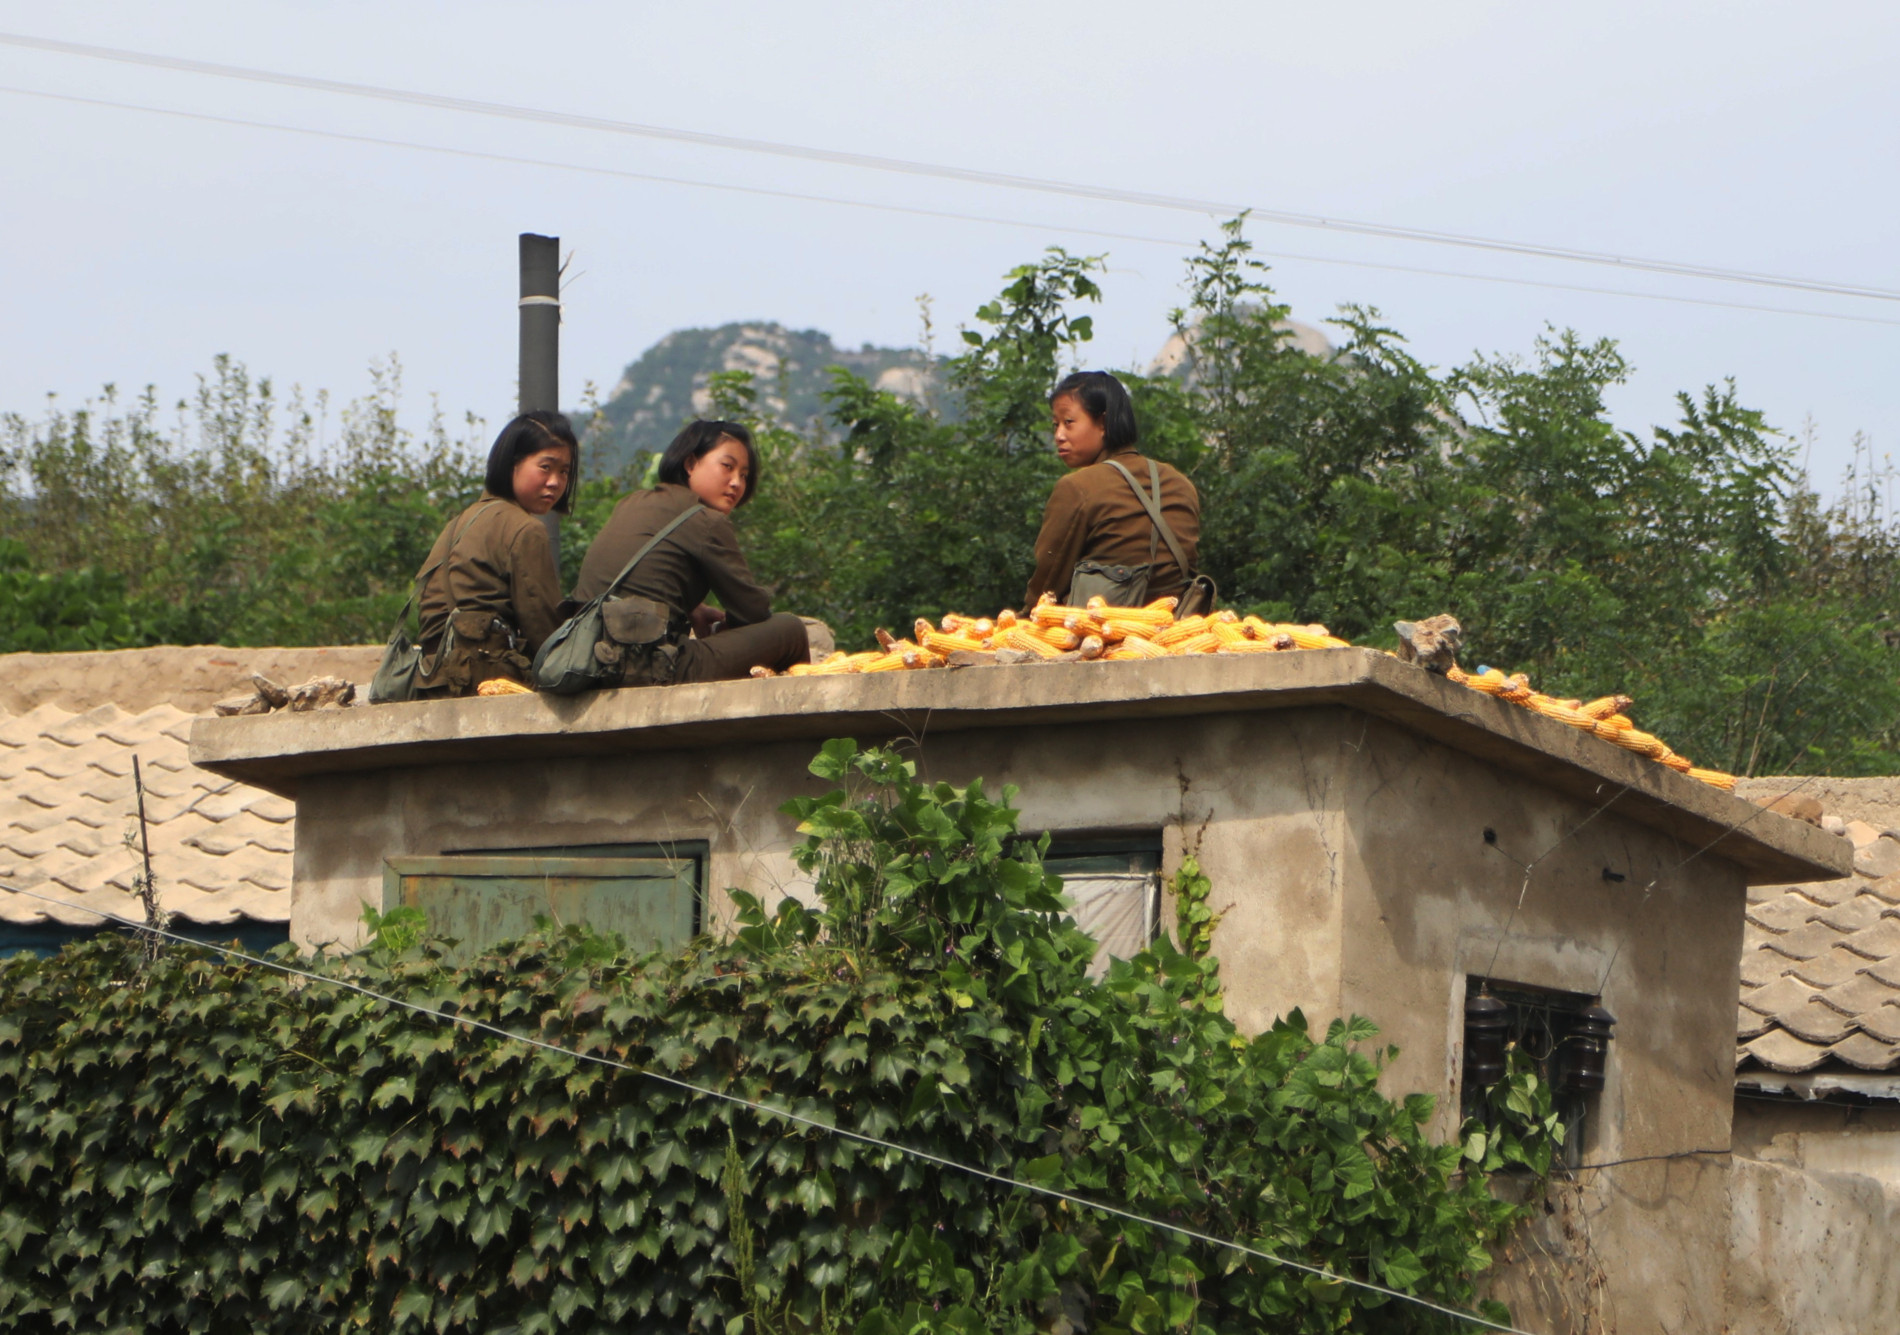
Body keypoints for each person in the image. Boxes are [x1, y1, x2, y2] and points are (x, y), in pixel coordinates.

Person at [571, 419, 808, 684]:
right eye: (727, 467)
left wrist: (693, 609)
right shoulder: (706, 521)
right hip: (648, 667)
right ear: (690, 464)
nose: (736, 483)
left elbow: (641, 580)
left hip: (589, 658)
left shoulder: (632, 502)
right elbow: (752, 612)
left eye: (744, 475)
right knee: (790, 631)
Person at [411, 411, 573, 697]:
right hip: (482, 676)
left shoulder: (459, 522)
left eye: (564, 472)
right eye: (545, 467)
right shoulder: (524, 529)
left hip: (433, 678)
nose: (555, 482)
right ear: (512, 464)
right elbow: (544, 628)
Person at [1023, 370, 1203, 609]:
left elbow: (1048, 580)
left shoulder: (1077, 487)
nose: (1058, 435)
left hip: (1103, 629)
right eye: (1055, 425)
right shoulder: (1180, 483)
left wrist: (1027, 617)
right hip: (1174, 626)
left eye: (1068, 422)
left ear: (1103, 423)